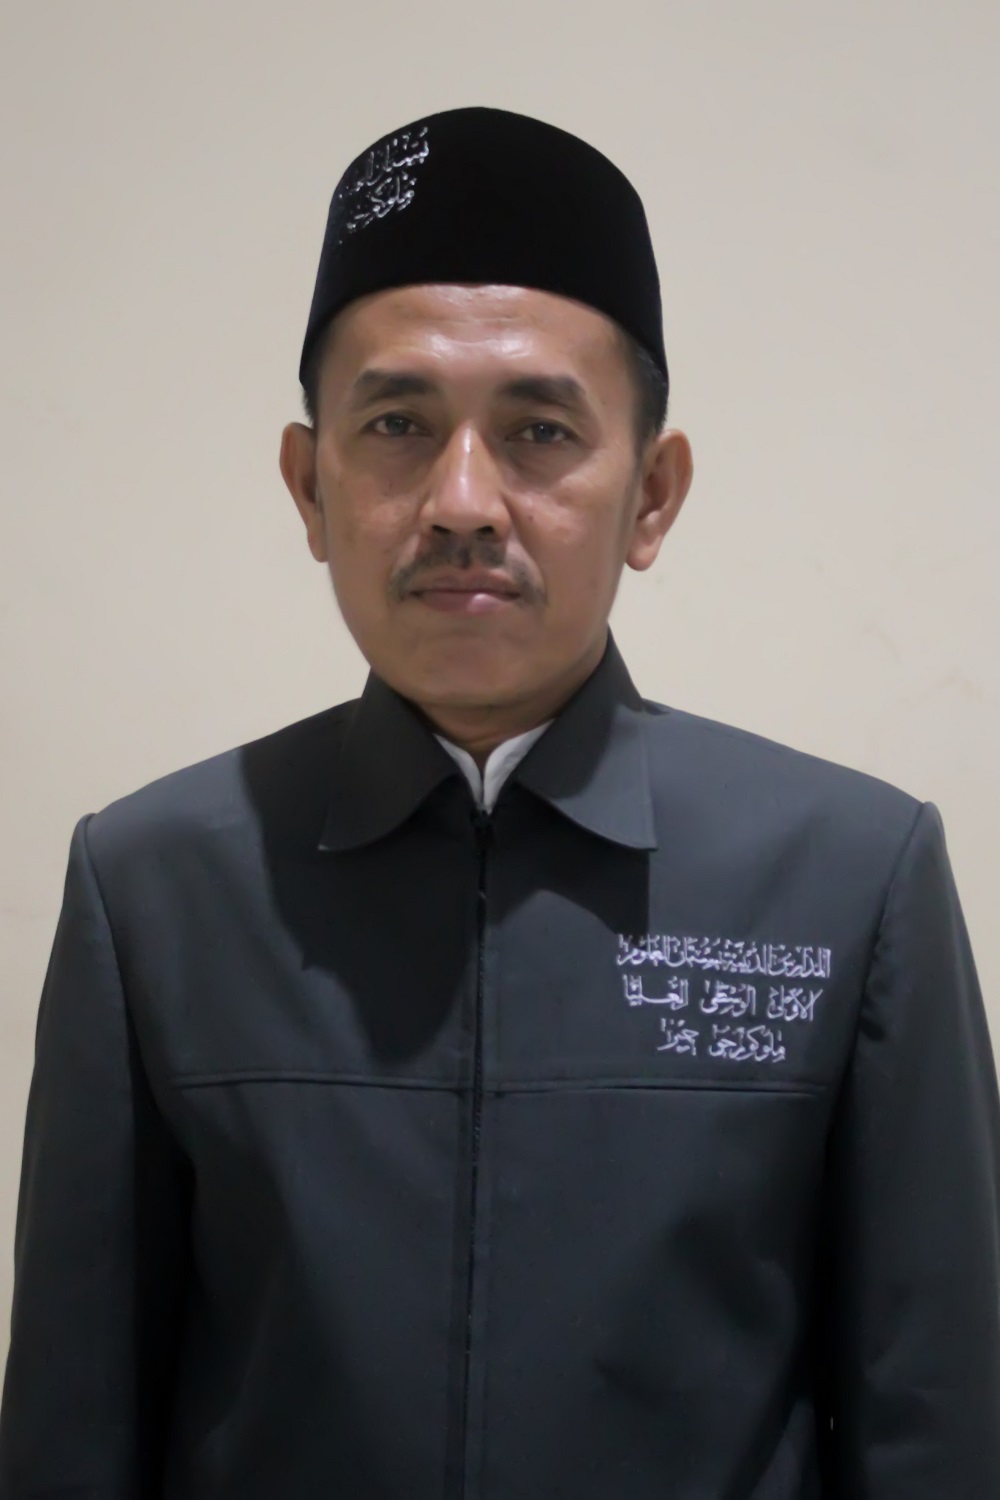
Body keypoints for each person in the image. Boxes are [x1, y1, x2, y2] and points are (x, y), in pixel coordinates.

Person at [1, 105, 997, 1499]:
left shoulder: (850, 877)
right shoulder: (153, 884)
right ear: (308, 485)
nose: (463, 500)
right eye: (398, 425)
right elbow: (71, 1429)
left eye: (538, 430)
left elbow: (940, 1426)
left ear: (653, 495)